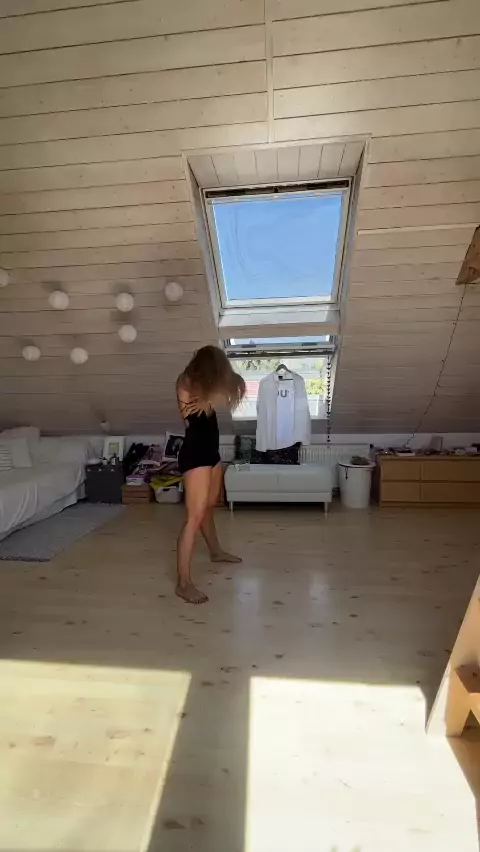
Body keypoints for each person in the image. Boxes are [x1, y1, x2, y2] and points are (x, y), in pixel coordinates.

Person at [176, 345, 246, 604]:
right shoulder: (186, 381)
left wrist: (217, 394)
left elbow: (234, 384)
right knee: (194, 518)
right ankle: (183, 583)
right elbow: (191, 409)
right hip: (195, 455)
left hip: (211, 452)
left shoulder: (209, 385)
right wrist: (209, 398)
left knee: (209, 506)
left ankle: (215, 552)